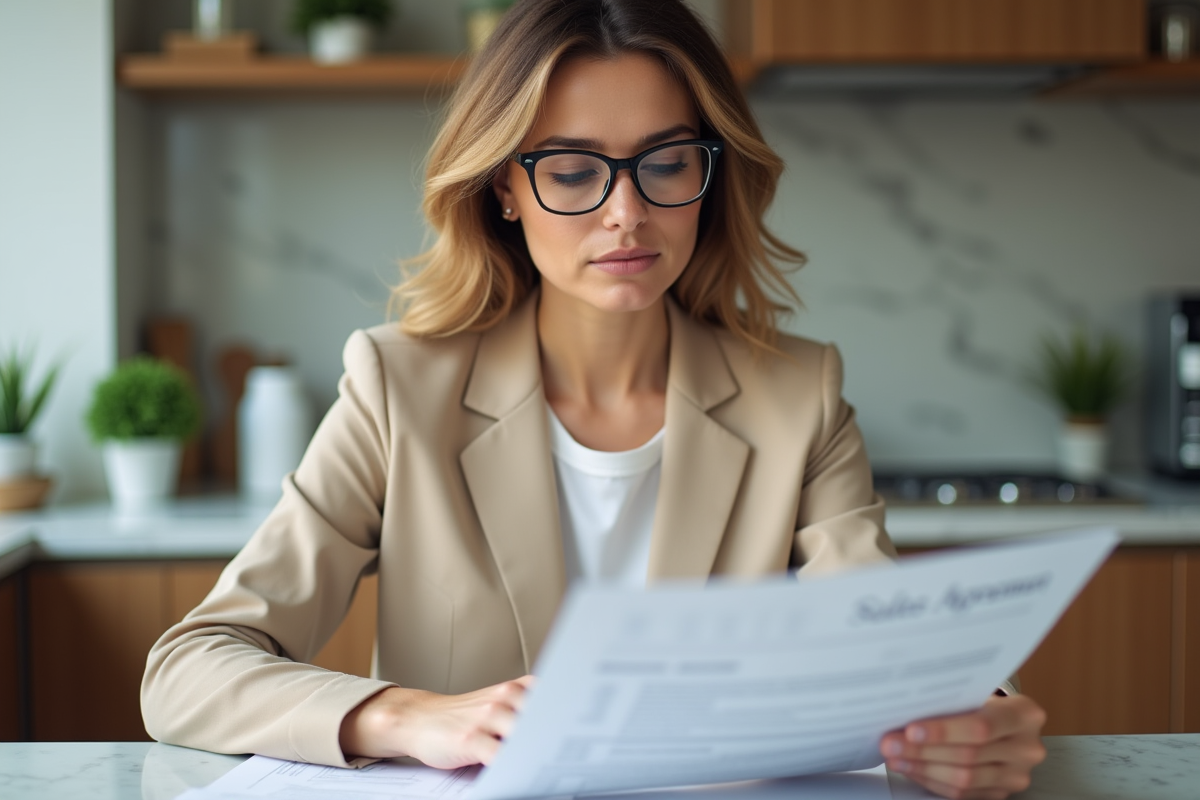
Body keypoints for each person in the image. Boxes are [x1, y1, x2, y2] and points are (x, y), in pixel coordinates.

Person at [141, 1, 1047, 797]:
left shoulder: (796, 396)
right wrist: (410, 717)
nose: (627, 213)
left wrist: (970, 720)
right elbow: (188, 670)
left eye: (665, 163)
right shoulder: (398, 388)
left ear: (710, 175)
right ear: (505, 186)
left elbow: (887, 642)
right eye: (573, 171)